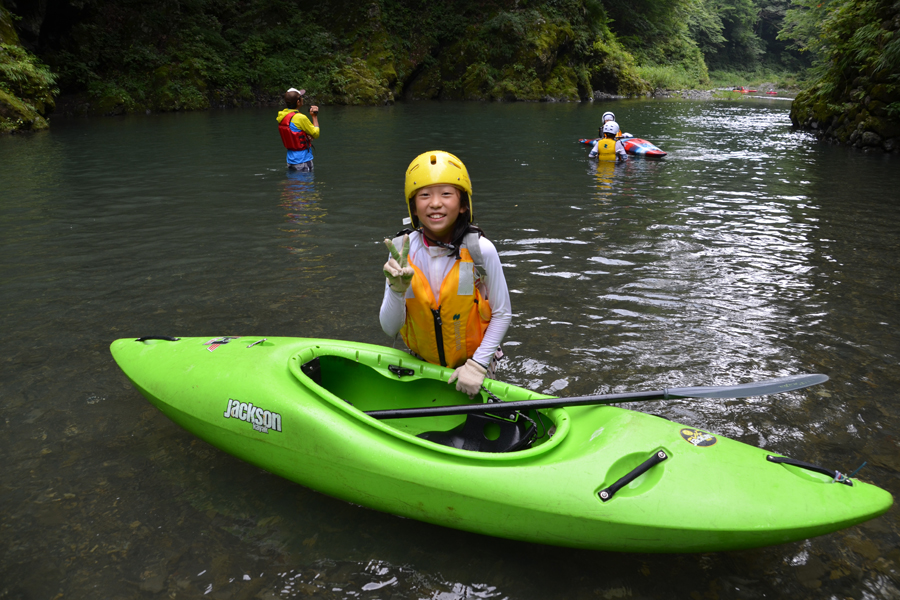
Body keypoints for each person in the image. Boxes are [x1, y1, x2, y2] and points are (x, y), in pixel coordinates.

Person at [379, 151, 512, 398]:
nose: (435, 203)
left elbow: (502, 313)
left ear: (463, 205)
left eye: (446, 194)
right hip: (420, 363)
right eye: (425, 195)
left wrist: (478, 365)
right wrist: (396, 291)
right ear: (414, 207)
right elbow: (389, 328)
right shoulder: (400, 252)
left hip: (473, 362)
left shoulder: (481, 250)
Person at [276, 87, 320, 172]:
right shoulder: (300, 118)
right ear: (298, 101)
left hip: (290, 160)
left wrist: (306, 135)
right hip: (303, 160)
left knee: (293, 183)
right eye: (301, 97)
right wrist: (314, 116)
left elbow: (294, 131)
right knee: (305, 184)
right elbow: (316, 133)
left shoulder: (282, 116)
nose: (302, 99)